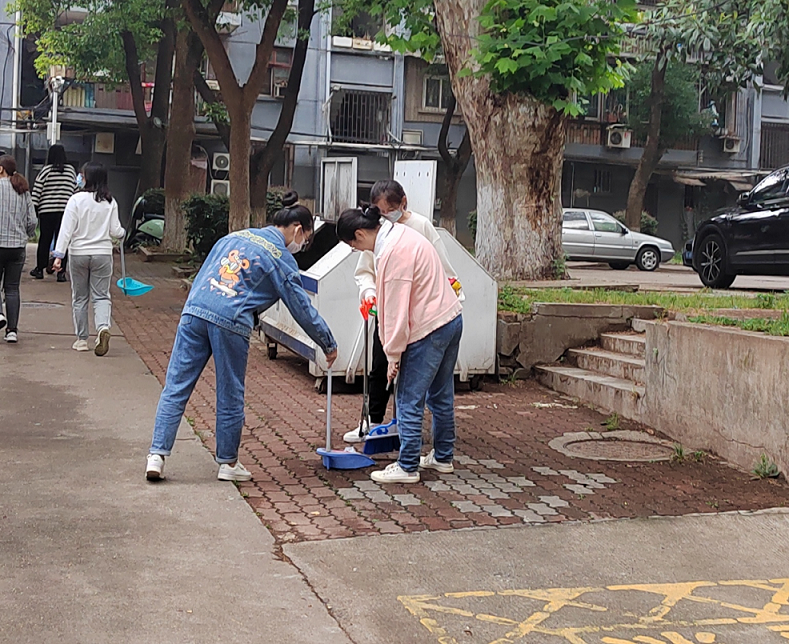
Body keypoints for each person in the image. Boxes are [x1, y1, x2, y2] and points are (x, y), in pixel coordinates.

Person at [146, 191, 338, 483]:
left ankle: (156, 455)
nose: (302, 246)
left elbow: (204, 272)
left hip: (195, 310)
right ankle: (228, 463)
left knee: (176, 386)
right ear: (298, 229)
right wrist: (327, 343)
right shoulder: (281, 257)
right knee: (229, 392)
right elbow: (301, 307)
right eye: (306, 239)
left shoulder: (234, 237)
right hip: (231, 319)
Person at [336, 206, 463, 484]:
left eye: (354, 245)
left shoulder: (392, 254)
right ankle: (443, 457)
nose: (357, 250)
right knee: (441, 395)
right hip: (450, 317)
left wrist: (392, 356)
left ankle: (407, 466)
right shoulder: (401, 233)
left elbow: (395, 313)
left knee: (407, 398)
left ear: (360, 234)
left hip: (428, 327)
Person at [52, 163, 124, 356]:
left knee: (80, 297)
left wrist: (59, 255)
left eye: (82, 175)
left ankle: (82, 339)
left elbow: (66, 230)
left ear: (88, 178)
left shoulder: (75, 200)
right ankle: (102, 328)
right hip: (103, 254)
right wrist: (122, 233)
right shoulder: (110, 202)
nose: (79, 177)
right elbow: (115, 231)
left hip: (78, 254)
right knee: (101, 296)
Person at [0, 155, 36, 344]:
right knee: (12, 288)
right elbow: (32, 221)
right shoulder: (22, 190)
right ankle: (12, 331)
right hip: (17, 247)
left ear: (1, 169)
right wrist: (25, 234)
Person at [30, 144, 77, 282]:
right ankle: (61, 273)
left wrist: (34, 208)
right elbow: (74, 190)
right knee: (62, 240)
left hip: (47, 211)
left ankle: (40, 269)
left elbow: (37, 191)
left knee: (45, 239)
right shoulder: (70, 171)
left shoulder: (46, 171)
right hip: (65, 212)